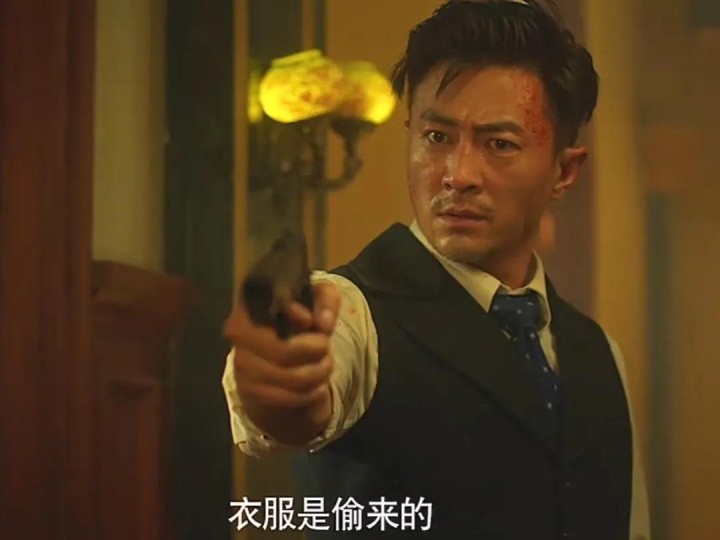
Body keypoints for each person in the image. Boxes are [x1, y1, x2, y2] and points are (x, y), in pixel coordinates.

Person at [223, 0, 650, 538]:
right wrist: (279, 385)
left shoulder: (598, 352)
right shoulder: (354, 311)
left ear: (564, 171)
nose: (458, 174)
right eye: (437, 138)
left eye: (499, 144)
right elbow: (301, 398)